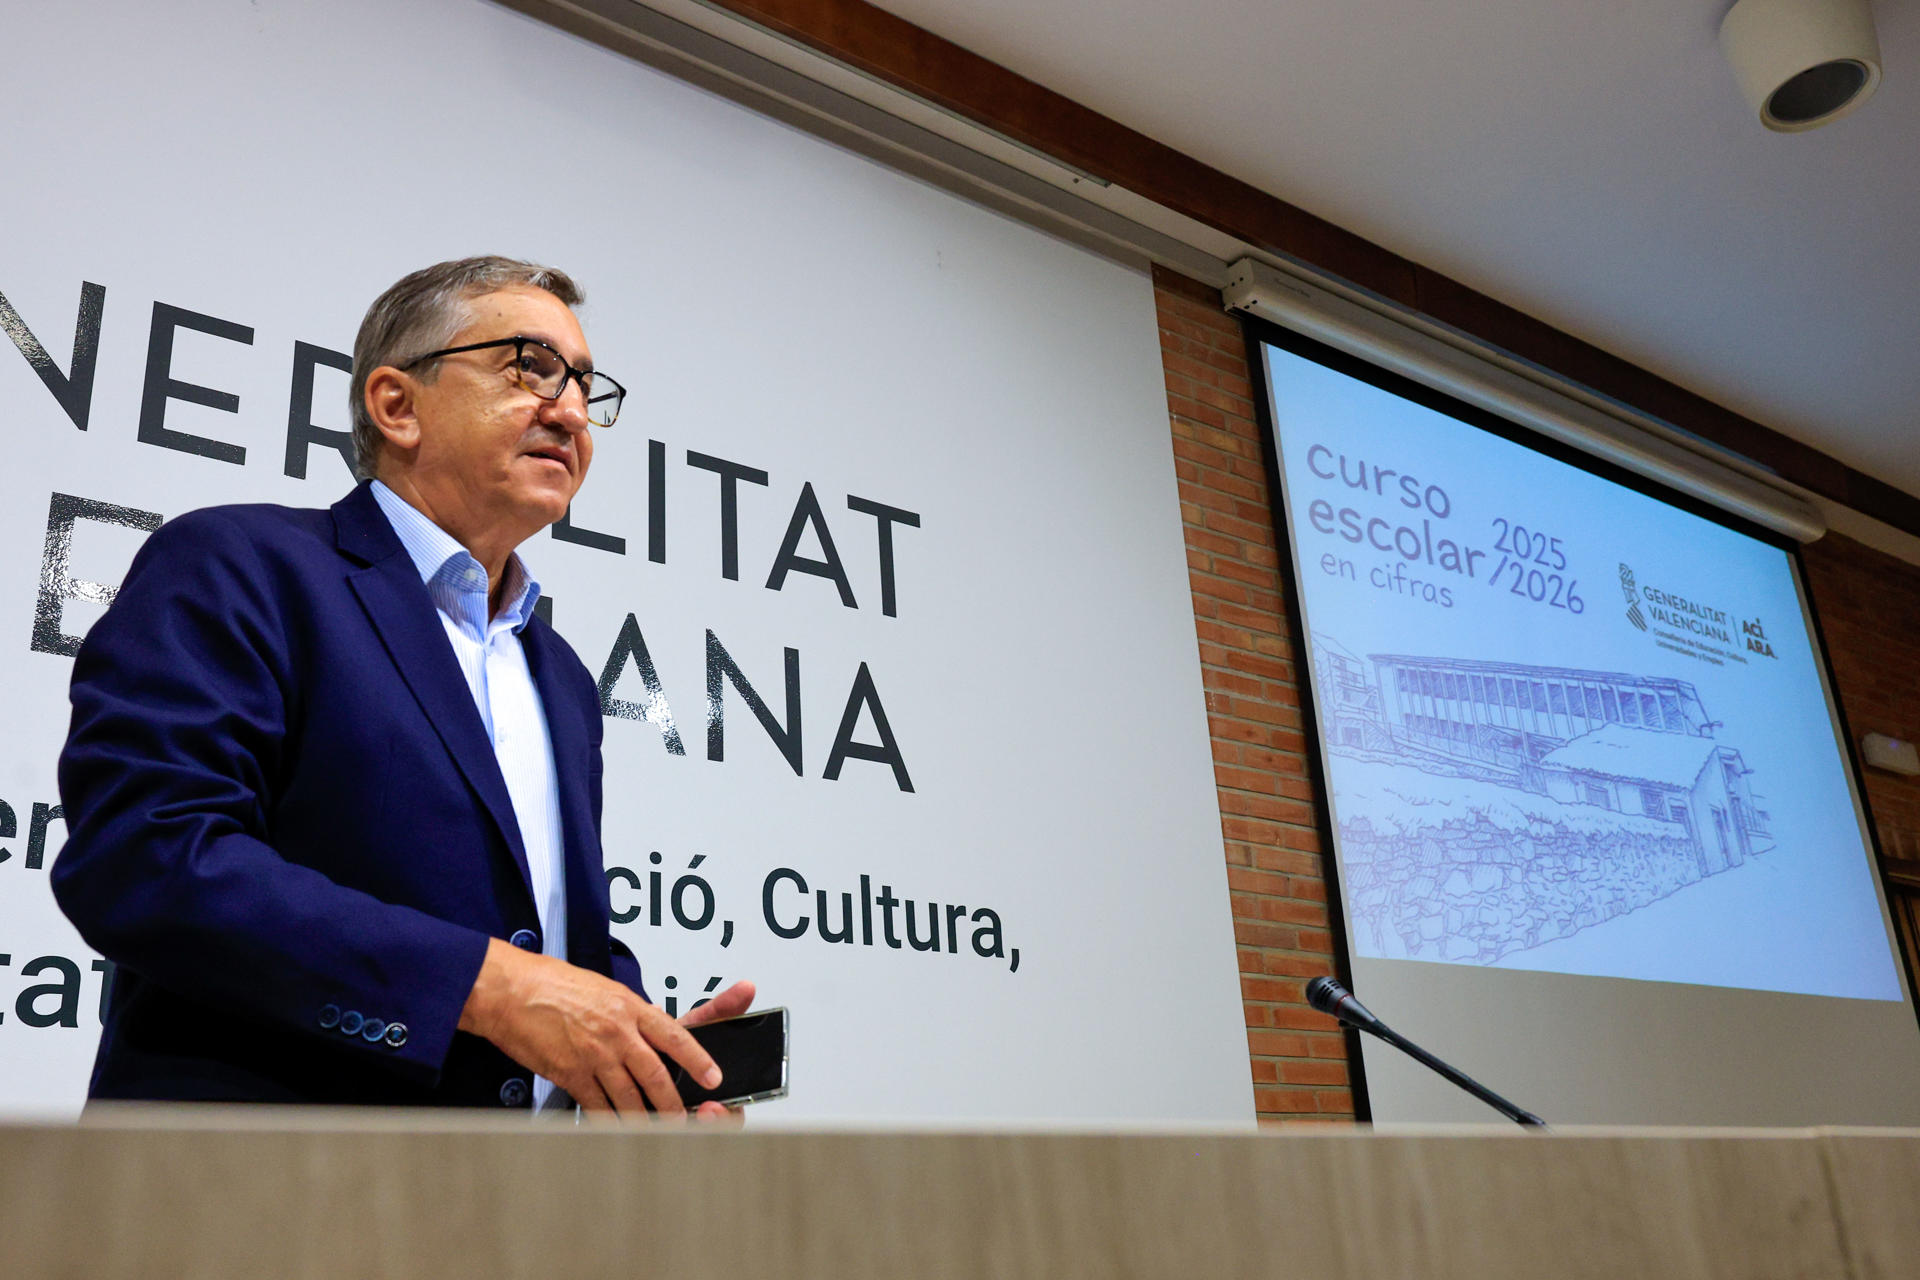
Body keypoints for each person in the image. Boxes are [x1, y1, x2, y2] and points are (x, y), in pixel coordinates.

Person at [53, 256, 750, 1116]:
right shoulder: (241, 567)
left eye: (582, 386)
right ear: (396, 406)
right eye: (530, 367)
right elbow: (149, 858)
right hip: (263, 1177)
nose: (571, 411)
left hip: (517, 1194)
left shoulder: (562, 674)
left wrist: (645, 1060)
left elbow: (552, 939)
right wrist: (487, 988)